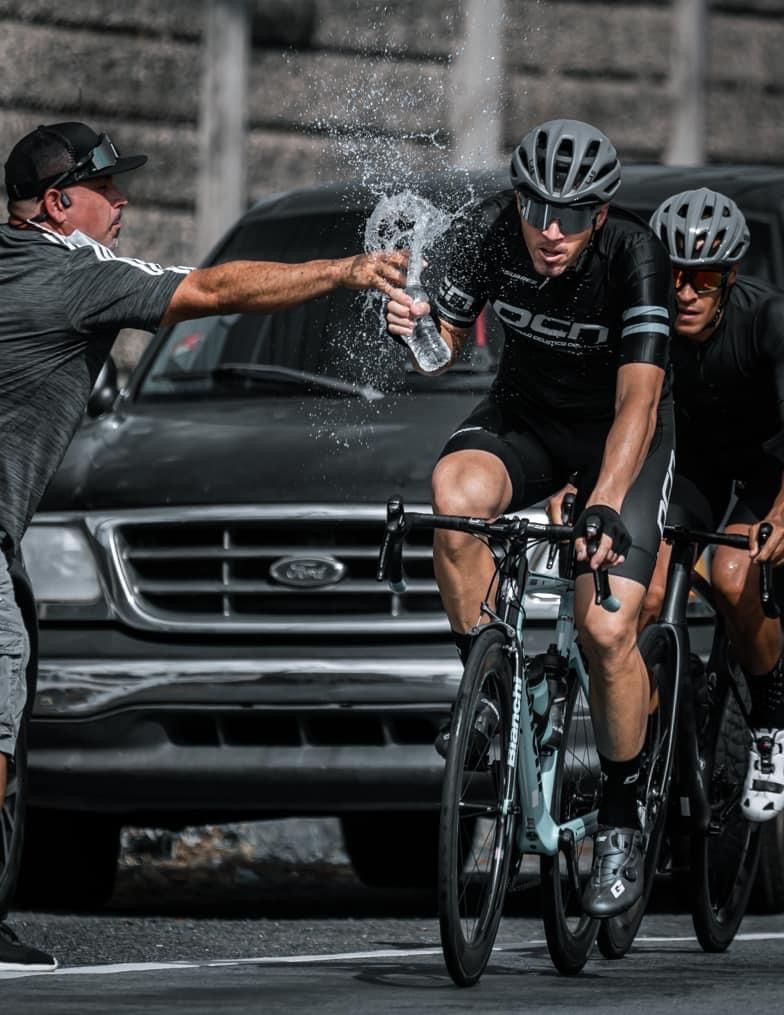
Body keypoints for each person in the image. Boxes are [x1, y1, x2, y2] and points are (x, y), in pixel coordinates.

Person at [0, 120, 410, 971]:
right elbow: (216, 289)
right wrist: (346, 270)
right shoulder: (80, 276)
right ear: (56, 203)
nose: (122, 201)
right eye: (105, 188)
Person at [386, 118, 675, 918]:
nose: (551, 231)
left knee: (606, 630)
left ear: (600, 216)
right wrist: (414, 334)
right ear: (518, 200)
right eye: (538, 209)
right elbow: (442, 348)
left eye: (573, 216)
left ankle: (620, 817)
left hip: (621, 436)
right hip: (528, 418)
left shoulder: (636, 256)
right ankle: (487, 689)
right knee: (454, 494)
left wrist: (606, 500)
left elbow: (639, 401)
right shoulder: (487, 230)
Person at [644, 187, 784, 822]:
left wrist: (778, 517)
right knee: (645, 587)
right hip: (693, 464)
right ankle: (662, 718)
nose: (685, 293)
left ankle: (771, 724)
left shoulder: (767, 318)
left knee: (731, 577)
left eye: (702, 278)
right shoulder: (644, 319)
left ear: (729, 276)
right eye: (673, 275)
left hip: (768, 464)